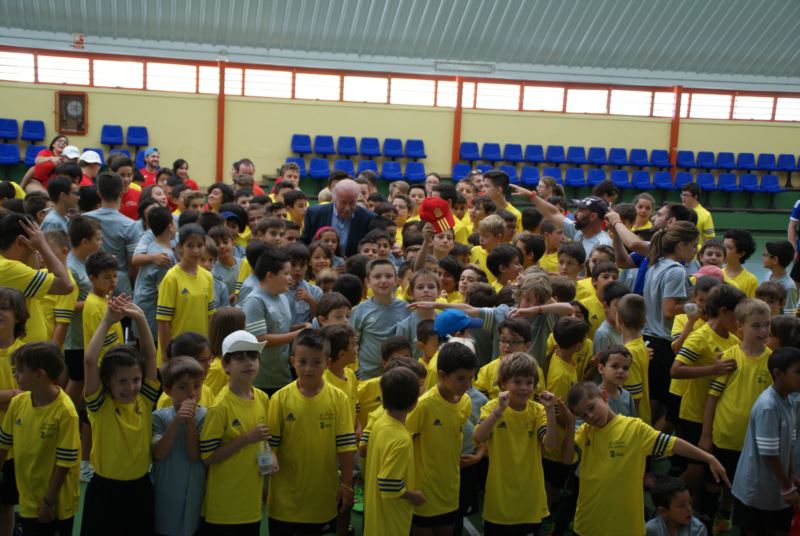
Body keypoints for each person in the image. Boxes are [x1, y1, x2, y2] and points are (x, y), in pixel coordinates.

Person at [563, 381, 728, 536]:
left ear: (604, 397)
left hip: (625, 526)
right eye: (583, 415)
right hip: (588, 522)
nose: (590, 416)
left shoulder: (634, 428)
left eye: (591, 407)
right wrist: (570, 424)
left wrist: (709, 458)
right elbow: (567, 458)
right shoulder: (585, 432)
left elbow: (673, 444)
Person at [81, 296, 160, 535]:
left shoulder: (145, 399)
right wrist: (107, 321)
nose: (130, 387)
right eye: (122, 381)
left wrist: (140, 317)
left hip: (139, 488)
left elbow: (151, 355)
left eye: (136, 380)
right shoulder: (100, 405)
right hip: (104, 491)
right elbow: (90, 361)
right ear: (108, 381)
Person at [267, 329, 356, 536]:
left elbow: (346, 448)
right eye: (302, 361)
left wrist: (346, 485)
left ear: (327, 363)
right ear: (292, 361)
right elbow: (270, 446)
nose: (309, 368)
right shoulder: (279, 399)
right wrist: (269, 457)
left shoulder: (339, 399)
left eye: (316, 362)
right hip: (284, 502)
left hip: (322, 500)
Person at [700, 298, 772, 529]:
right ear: (740, 326)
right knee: (714, 481)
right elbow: (712, 398)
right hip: (724, 436)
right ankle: (706, 518)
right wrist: (706, 435)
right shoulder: (729, 358)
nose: (763, 331)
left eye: (767, 324)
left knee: (739, 484)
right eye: (756, 325)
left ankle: (725, 514)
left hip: (753, 441)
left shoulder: (772, 361)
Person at [473, 352, 559, 534]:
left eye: (529, 382)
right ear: (503, 383)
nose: (524, 388)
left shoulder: (537, 411)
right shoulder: (492, 407)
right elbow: (478, 438)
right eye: (517, 382)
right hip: (499, 498)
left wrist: (550, 410)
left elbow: (551, 444)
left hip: (530, 499)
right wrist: (498, 412)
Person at [0, 342, 79, 536]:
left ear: (39, 375)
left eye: (20, 371)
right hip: (28, 500)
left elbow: (65, 463)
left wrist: (49, 501)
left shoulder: (66, 412)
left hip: (56, 504)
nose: (15, 376)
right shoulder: (17, 403)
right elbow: (3, 445)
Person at [200, 330, 271, 534]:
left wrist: (270, 456)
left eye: (253, 357)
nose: (248, 363)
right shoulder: (219, 407)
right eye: (240, 358)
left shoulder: (262, 398)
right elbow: (208, 457)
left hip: (251, 503)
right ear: (225, 365)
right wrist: (246, 438)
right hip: (224, 506)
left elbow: (263, 439)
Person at [406, 342, 477, 535]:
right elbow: (404, 443)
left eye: (470, 378)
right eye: (460, 379)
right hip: (423, 491)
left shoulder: (466, 402)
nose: (467, 385)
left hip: (450, 491)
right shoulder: (423, 406)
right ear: (442, 375)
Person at [731, 347, 800, 536]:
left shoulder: (790, 401)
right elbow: (769, 453)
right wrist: (787, 487)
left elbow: (790, 441)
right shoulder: (768, 406)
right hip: (756, 490)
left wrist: (791, 474)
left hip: (776, 487)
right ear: (778, 374)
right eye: (798, 372)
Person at [363, 367, 425, 536]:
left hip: (375, 518)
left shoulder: (380, 423)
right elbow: (388, 484)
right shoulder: (401, 439)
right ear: (414, 403)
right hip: (390, 523)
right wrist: (414, 496)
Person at [241, 245, 309, 396]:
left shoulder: (282, 296)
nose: (290, 278)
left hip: (283, 374)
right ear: (270, 275)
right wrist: (299, 334)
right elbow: (259, 339)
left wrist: (301, 327)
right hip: (264, 380)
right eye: (286, 273)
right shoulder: (255, 301)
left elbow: (280, 329)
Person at [150, 356, 206, 536]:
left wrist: (190, 422)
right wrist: (176, 421)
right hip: (166, 492)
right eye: (182, 387)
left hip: (194, 492)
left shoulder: (206, 416)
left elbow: (194, 455)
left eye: (197, 386)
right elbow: (159, 454)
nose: (192, 393)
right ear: (167, 390)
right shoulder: (159, 417)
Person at [156, 224, 216, 363]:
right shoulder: (171, 278)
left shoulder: (207, 277)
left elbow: (210, 316)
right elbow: (163, 321)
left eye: (200, 245)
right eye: (190, 245)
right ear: (180, 247)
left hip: (200, 352)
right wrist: (167, 356)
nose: (196, 250)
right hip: (177, 352)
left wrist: (210, 347)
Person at [350, 259, 411, 379]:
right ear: (367, 282)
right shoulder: (359, 310)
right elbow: (353, 343)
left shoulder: (406, 308)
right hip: (368, 376)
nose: (383, 281)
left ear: (396, 281)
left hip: (400, 374)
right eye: (377, 277)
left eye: (388, 276)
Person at [514, 184, 612, 258]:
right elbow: (553, 213)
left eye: (581, 210)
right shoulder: (578, 230)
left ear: (593, 216)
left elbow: (599, 276)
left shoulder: (603, 245)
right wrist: (532, 196)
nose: (575, 213)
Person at [84, 172, 141, 296]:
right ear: (121, 193)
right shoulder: (130, 225)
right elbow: (133, 264)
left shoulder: (83, 220)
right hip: (120, 287)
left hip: (89, 283)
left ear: (99, 194)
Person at [301, 178, 377, 257]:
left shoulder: (368, 218)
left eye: (352, 203)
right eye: (343, 203)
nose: (347, 207)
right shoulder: (315, 214)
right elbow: (305, 243)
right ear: (334, 198)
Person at [133, 206, 176, 340]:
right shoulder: (165, 257)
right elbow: (164, 292)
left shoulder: (151, 246)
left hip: (141, 306)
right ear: (170, 226)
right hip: (152, 312)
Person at [82, 251, 124, 358]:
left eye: (115, 276)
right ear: (92, 279)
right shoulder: (94, 306)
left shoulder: (105, 296)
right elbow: (106, 345)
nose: (113, 281)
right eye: (107, 277)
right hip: (106, 362)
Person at [762, 240, 799, 314]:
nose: (762, 257)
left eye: (765, 255)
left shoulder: (789, 287)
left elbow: (790, 314)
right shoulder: (768, 275)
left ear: (775, 260)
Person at [722, 230, 758, 297]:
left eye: (729, 247)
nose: (723, 250)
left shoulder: (751, 280)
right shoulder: (717, 274)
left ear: (741, 253)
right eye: (723, 246)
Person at [681, 183, 715, 247]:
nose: (683, 198)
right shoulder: (678, 210)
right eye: (682, 195)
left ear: (695, 197)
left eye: (686, 195)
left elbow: (709, 239)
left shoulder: (706, 214)